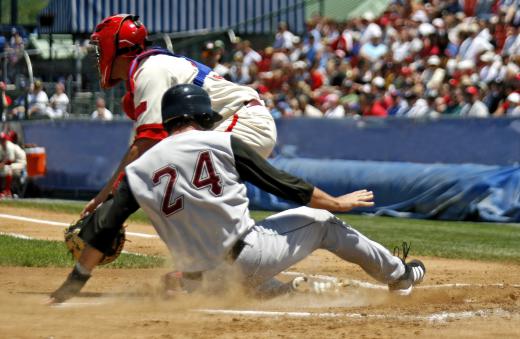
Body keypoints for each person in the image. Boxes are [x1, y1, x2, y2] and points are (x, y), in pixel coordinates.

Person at [48, 84, 426, 303]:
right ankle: (400, 276)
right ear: (201, 116)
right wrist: (337, 203)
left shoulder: (137, 169)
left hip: (200, 281)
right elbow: (284, 185)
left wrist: (76, 281)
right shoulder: (221, 141)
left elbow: (103, 226)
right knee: (325, 224)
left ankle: (290, 290)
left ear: (168, 122)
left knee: (246, 287)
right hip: (247, 256)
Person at [77, 14, 277, 285]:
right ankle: (238, 276)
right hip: (236, 123)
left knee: (177, 181)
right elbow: (145, 151)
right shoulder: (147, 70)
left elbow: (145, 145)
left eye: (102, 47)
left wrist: (106, 199)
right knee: (168, 184)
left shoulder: (150, 69)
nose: (98, 55)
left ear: (120, 46)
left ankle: (207, 268)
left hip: (243, 121)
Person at [0, 132, 26, 198]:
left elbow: (10, 160)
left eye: (3, 139)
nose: (2, 141)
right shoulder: (1, 147)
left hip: (21, 163)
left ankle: (7, 191)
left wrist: (2, 164)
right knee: (4, 169)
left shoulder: (9, 146)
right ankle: (2, 191)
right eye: (1, 139)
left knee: (8, 168)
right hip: (14, 163)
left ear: (6, 139)